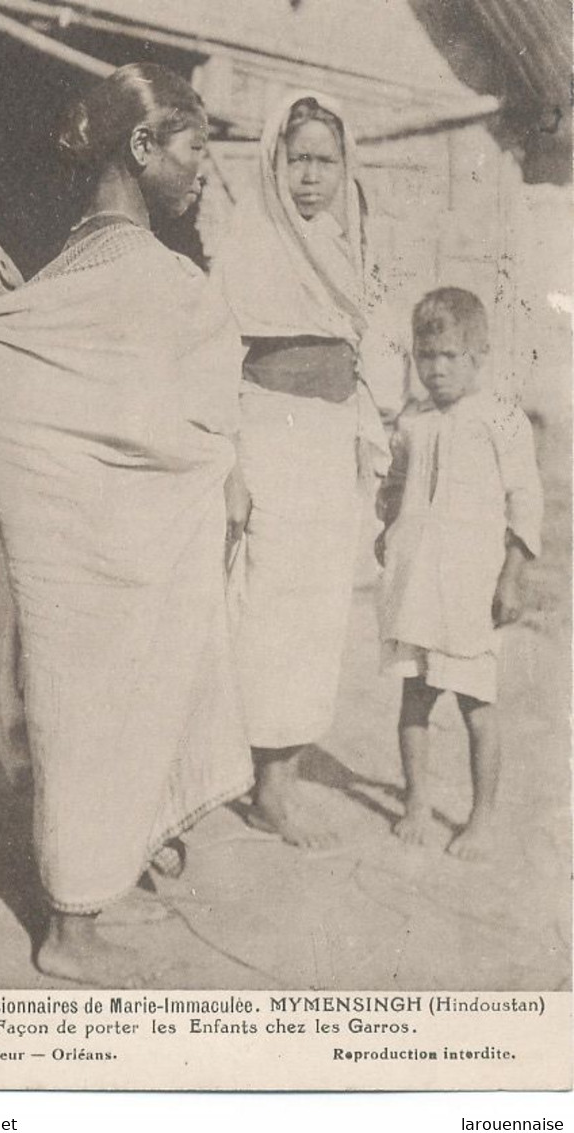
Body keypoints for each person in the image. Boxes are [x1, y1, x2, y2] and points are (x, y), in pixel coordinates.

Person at [0, 64, 252, 982]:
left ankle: (107, 878)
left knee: (91, 714)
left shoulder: (61, 271)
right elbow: (179, 421)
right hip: (109, 552)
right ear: (142, 147)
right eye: (195, 147)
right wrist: (213, 473)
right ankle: (70, 934)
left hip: (76, 553)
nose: (205, 169)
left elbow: (44, 399)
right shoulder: (162, 282)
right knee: (108, 712)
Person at [216, 91, 389, 849]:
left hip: (329, 437)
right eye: (298, 160)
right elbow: (219, 356)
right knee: (261, 606)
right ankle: (247, 775)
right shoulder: (247, 241)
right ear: (273, 161)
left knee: (317, 610)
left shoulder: (346, 244)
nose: (311, 177)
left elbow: (365, 346)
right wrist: (231, 464)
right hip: (267, 430)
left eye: (325, 160)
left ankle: (276, 780)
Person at [376, 287, 543, 860]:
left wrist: (511, 576)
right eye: (427, 357)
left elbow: (526, 502)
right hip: (416, 589)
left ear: (478, 355)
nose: (437, 369)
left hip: (469, 592)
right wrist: (387, 527)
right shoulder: (413, 419)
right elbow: (395, 482)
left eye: (451, 356)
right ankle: (417, 802)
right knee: (414, 700)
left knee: (477, 709)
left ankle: (481, 817)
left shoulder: (500, 419)